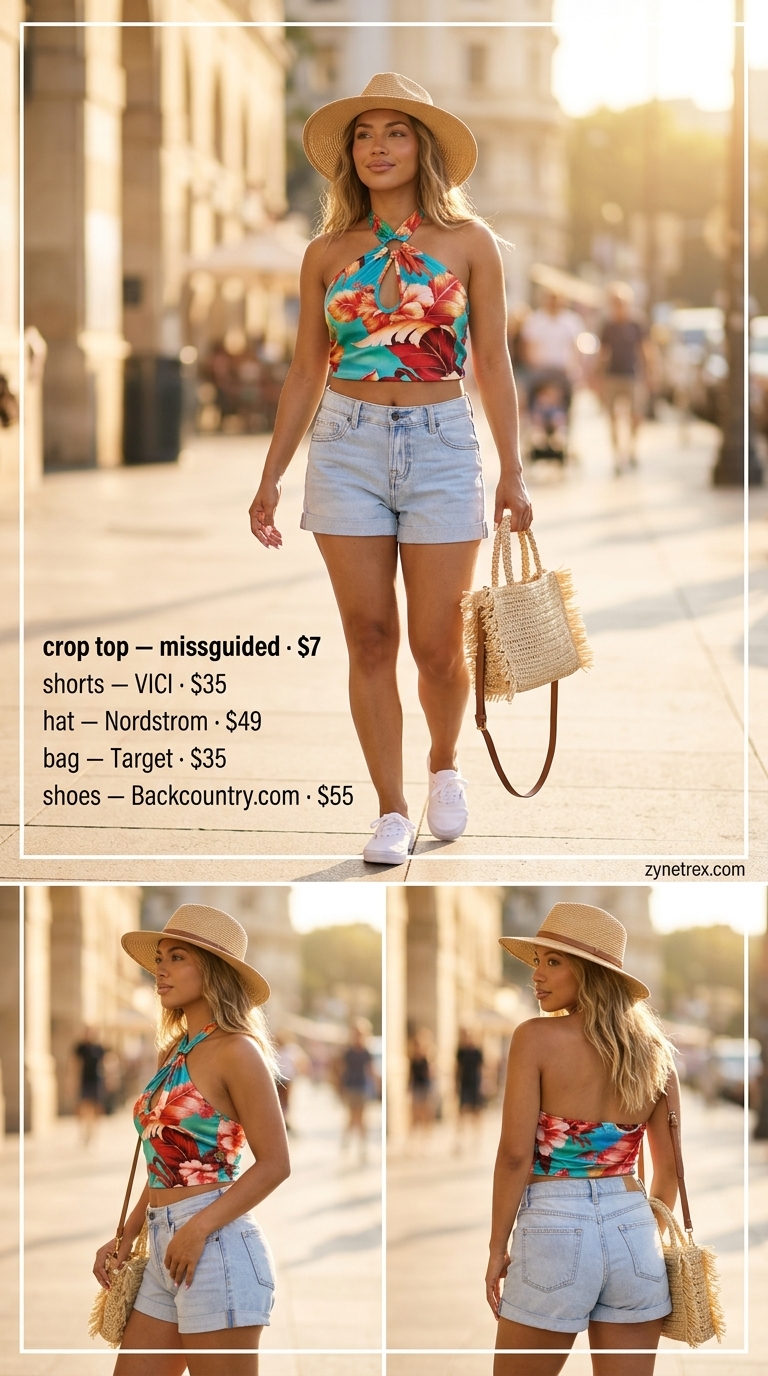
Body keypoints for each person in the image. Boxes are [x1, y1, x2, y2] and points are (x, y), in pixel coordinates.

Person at [249, 72, 532, 866]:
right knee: (370, 638)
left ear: (422, 148)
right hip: (347, 446)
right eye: (364, 135)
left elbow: (494, 362)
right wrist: (272, 474)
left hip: (443, 443)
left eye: (395, 132)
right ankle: (391, 810)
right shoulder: (324, 253)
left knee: (438, 645)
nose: (377, 147)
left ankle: (444, 764)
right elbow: (305, 370)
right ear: (349, 155)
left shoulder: (471, 244)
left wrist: (513, 469)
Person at [93, 905, 290, 1376]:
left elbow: (275, 1164)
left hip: (215, 1246)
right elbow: (166, 1160)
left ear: (214, 970)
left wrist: (197, 1228)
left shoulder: (238, 1050)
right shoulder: (174, 1051)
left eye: (176, 957)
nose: (160, 969)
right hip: (164, 1245)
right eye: (159, 958)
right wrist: (128, 1234)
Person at [487, 902, 680, 1375]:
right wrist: (638, 1235)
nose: (537, 975)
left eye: (553, 962)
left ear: (592, 973)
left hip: (554, 1226)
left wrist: (496, 1249)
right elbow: (671, 1170)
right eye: (537, 961)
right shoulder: (656, 1053)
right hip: (635, 1228)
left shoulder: (534, 1038)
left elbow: (514, 1156)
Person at [599, 284, 654, 473]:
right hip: (612, 376)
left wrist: (650, 373)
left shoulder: (637, 324)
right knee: (612, 417)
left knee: (636, 415)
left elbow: (645, 349)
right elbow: (603, 353)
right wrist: (597, 377)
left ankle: (632, 449)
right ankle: (617, 455)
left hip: (633, 375)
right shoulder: (608, 326)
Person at [520, 290, 584, 414]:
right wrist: (532, 363)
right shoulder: (535, 319)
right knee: (530, 395)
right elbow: (527, 345)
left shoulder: (572, 321)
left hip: (563, 369)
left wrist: (576, 368)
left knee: (568, 398)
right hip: (541, 368)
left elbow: (576, 347)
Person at [337, 1017, 377, 1162]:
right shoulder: (348, 1052)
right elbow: (341, 1071)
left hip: (362, 1087)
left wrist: (376, 1086)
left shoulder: (366, 1052)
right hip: (351, 1087)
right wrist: (340, 1088)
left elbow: (371, 1070)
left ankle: (362, 1146)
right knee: (351, 1117)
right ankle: (346, 1143)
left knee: (362, 1119)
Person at [73, 1026, 106, 1147]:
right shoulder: (80, 1048)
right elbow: (75, 1064)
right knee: (84, 1107)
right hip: (84, 1081)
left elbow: (104, 1064)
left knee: (96, 1108)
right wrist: (72, 1081)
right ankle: (84, 1133)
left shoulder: (99, 1048)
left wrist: (108, 1079)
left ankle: (95, 1133)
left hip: (96, 1081)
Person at [455, 1026, 484, 1153]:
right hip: (464, 1084)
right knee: (462, 1113)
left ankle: (476, 1140)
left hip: (475, 1084)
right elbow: (457, 1069)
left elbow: (482, 1068)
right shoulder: (460, 1052)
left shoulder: (477, 1051)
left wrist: (484, 1084)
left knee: (476, 1113)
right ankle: (460, 1140)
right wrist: (455, 1085)